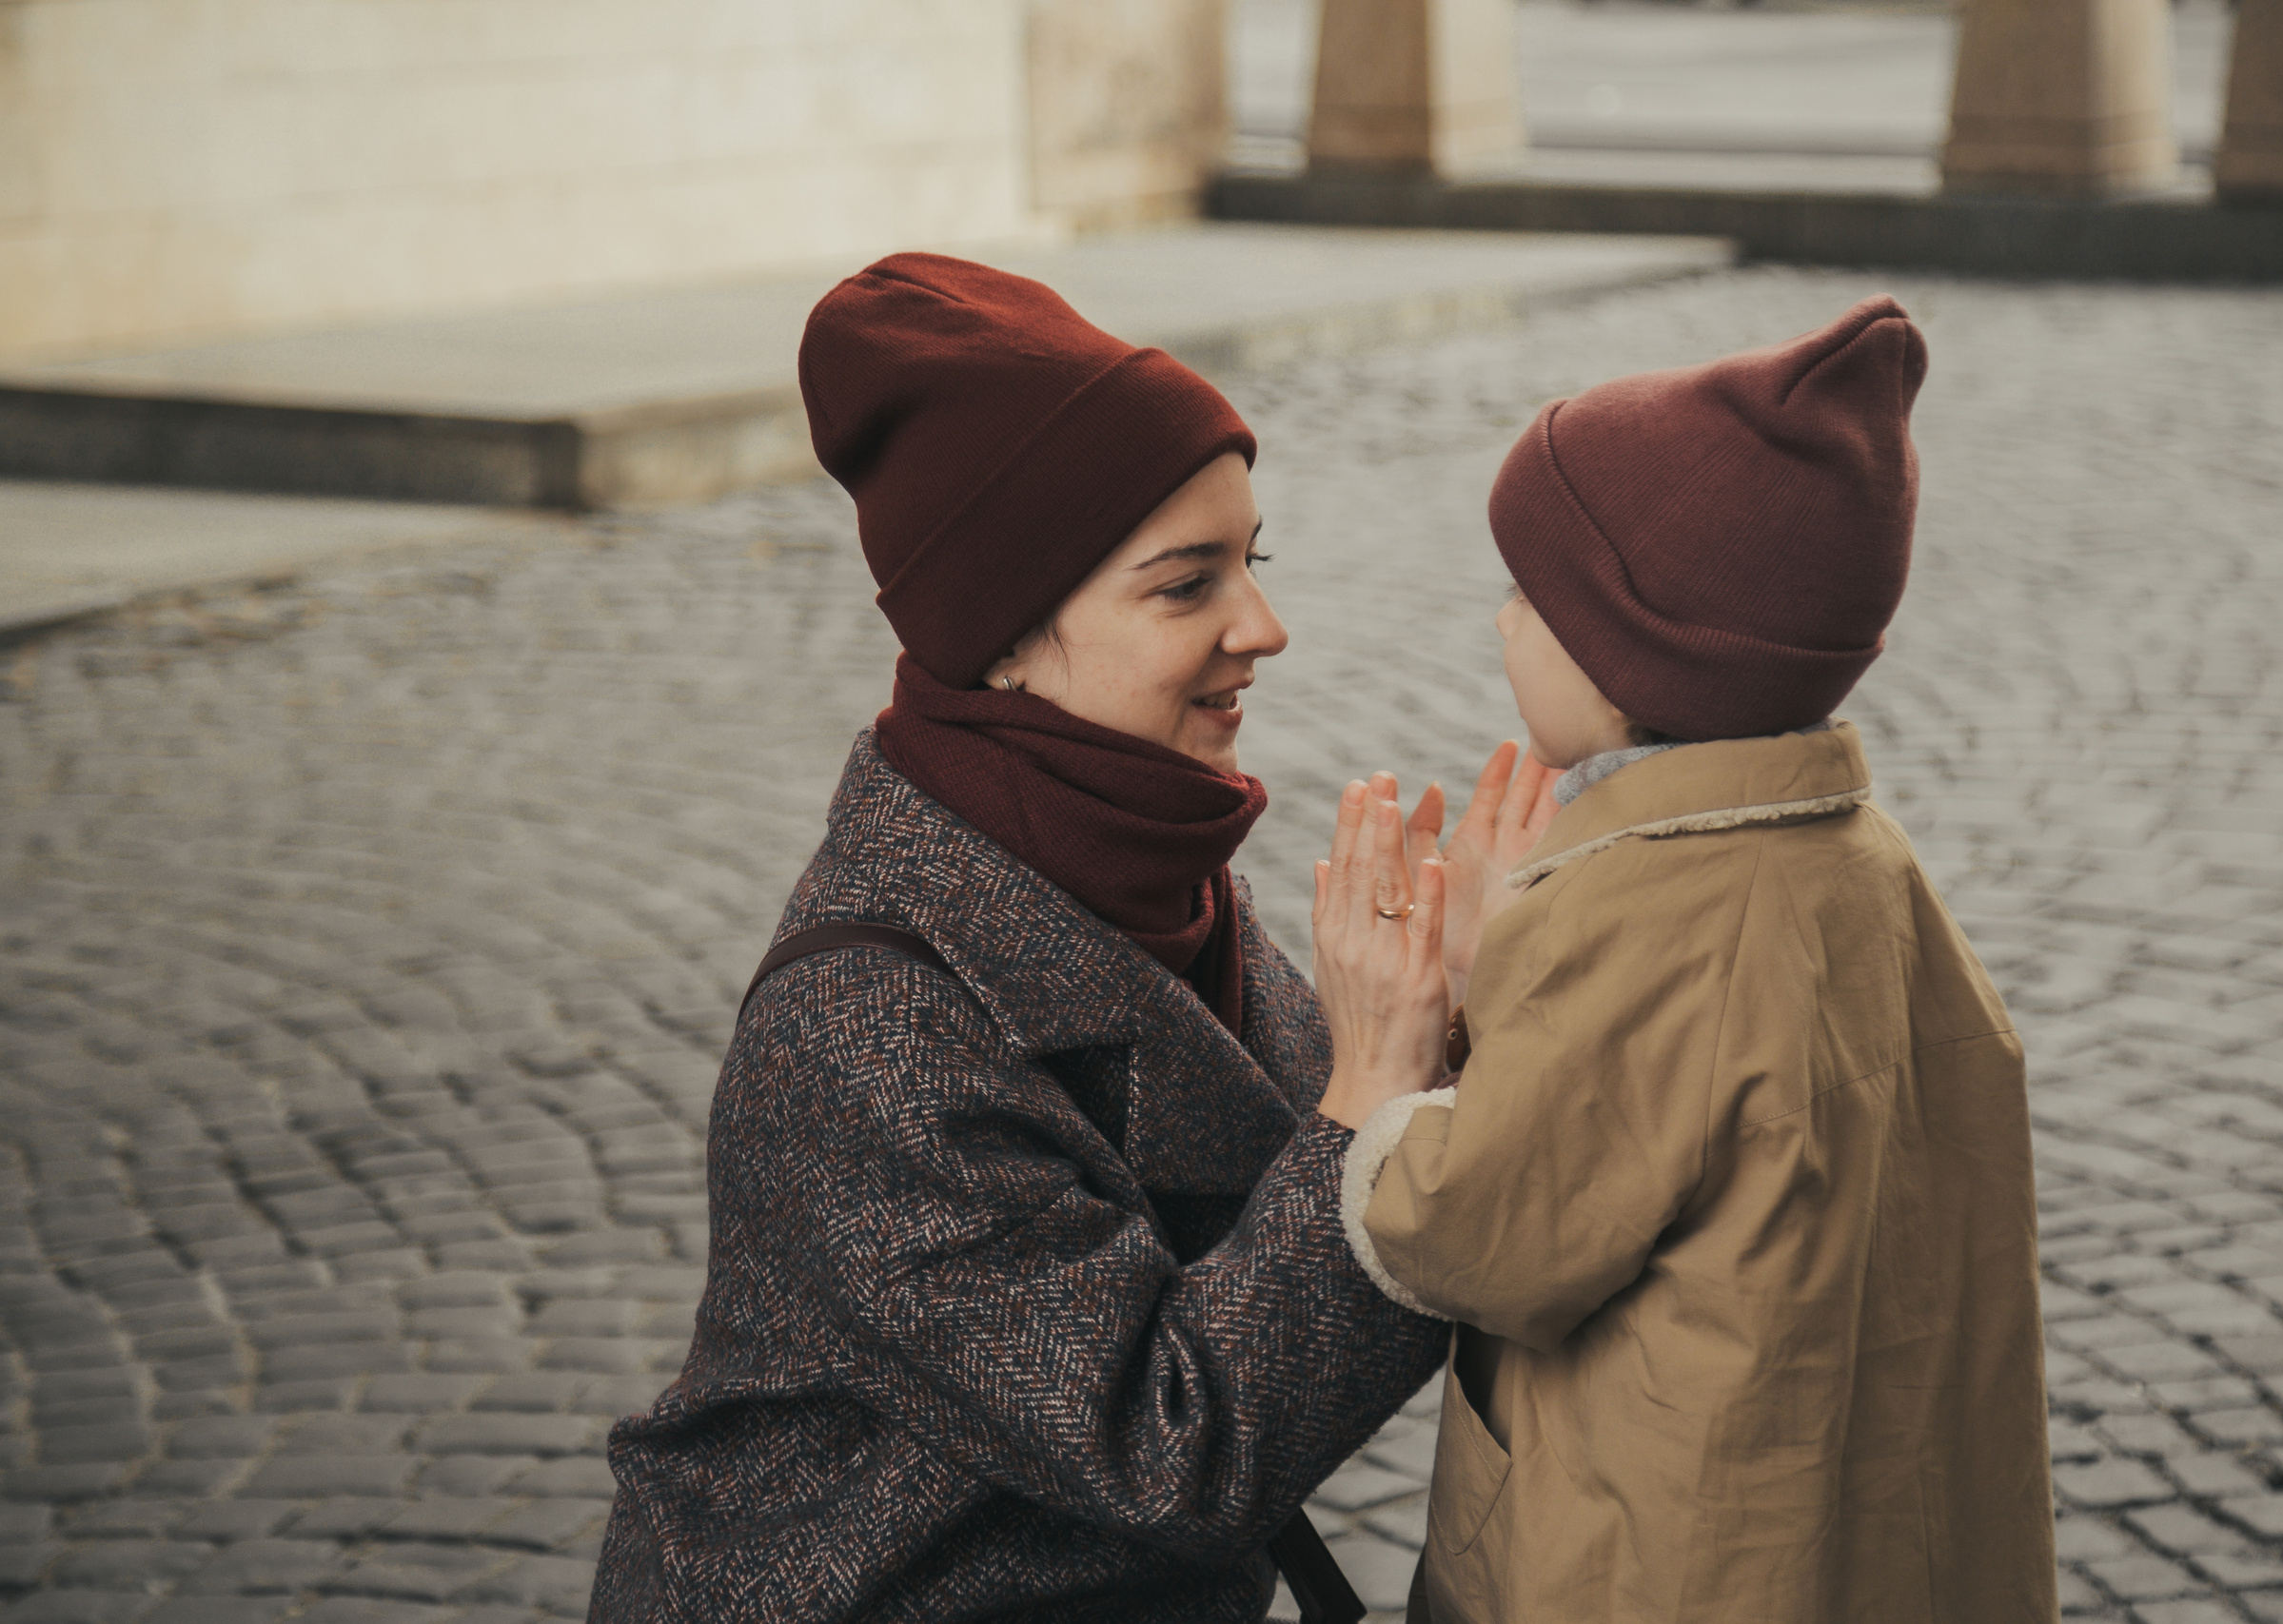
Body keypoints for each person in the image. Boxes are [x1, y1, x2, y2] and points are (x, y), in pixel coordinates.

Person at [586, 253, 1513, 1624]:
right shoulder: (867, 1021)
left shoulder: (1137, 857)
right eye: (1185, 585)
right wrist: (1381, 1083)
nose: (1264, 627)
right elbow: (1172, 1446)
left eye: (1250, 562)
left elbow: (1306, 1178)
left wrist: (1458, 1005)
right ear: (1008, 633)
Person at [1340, 298, 2057, 1623]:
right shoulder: (1868, 862)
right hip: (1868, 1540)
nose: (1501, 623)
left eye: (1530, 594)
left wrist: (1386, 1088)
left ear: (1633, 644)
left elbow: (1485, 1227)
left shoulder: (1646, 915)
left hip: (1660, 1559)